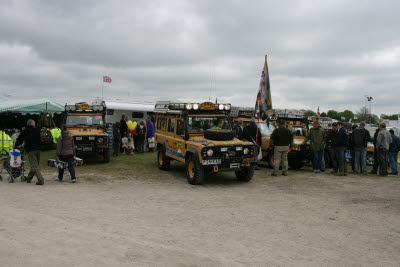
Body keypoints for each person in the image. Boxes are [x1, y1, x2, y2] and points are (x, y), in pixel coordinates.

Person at [15, 119, 44, 185]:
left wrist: (16, 146)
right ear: (33, 124)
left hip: (31, 150)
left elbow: (19, 140)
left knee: (34, 165)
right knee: (35, 165)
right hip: (39, 149)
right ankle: (29, 178)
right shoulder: (38, 130)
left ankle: (40, 179)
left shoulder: (25, 131)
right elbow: (42, 140)